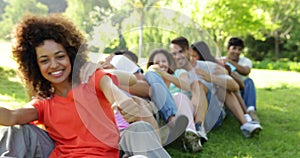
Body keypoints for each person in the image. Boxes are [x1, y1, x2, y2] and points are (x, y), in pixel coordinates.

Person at [0, 14, 168, 158]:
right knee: (13, 131)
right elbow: (11, 116)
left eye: (60, 56)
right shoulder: (44, 103)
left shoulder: (91, 78)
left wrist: (122, 101)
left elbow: (110, 87)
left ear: (71, 55)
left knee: (140, 128)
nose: (54, 65)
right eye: (44, 60)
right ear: (35, 66)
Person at [170, 36, 262, 138]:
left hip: (213, 115)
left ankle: (245, 123)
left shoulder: (208, 66)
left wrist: (211, 78)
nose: (178, 56)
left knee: (222, 86)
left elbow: (235, 86)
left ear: (189, 51)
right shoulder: (172, 72)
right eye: (174, 54)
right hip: (189, 114)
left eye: (181, 52)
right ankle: (196, 128)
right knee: (196, 86)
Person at [147, 48, 207, 152]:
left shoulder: (179, 72)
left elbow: (186, 86)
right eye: (157, 62)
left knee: (178, 96)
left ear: (169, 63)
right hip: (166, 116)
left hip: (184, 110)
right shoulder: (153, 80)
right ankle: (179, 134)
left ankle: (191, 135)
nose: (161, 64)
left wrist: (165, 74)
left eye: (164, 61)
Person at [221, 37, 260, 122]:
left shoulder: (245, 61)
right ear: (228, 49)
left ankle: (251, 110)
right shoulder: (220, 60)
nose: (236, 52)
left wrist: (230, 62)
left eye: (239, 49)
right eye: (234, 48)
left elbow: (245, 71)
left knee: (249, 81)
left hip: (243, 91)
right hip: (230, 92)